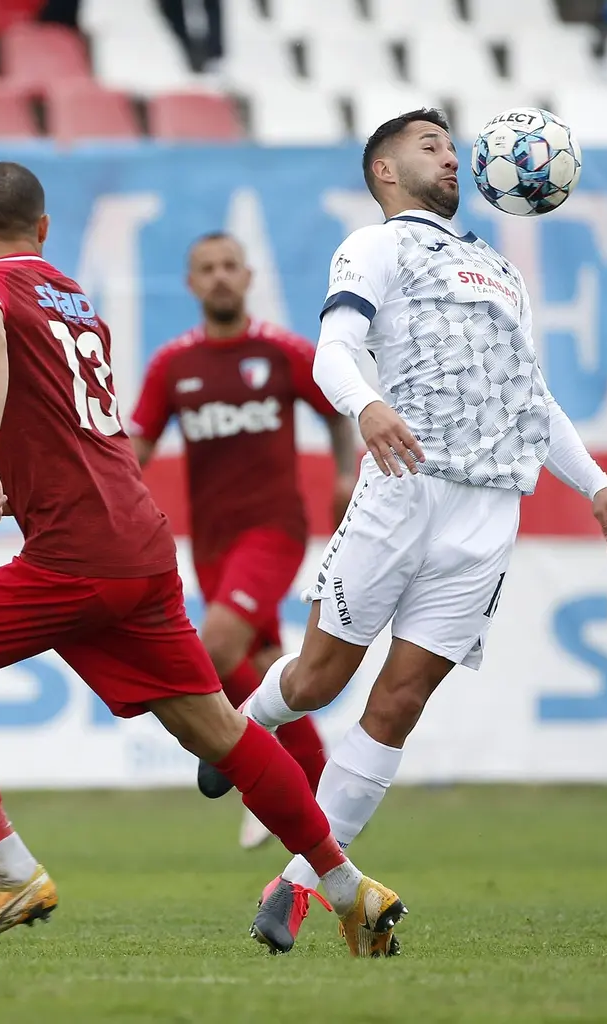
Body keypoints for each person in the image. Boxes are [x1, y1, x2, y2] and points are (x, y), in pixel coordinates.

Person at [0, 161, 405, 958]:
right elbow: (82, 448)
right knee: (218, 729)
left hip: (72, 562)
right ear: (44, 229)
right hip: (139, 551)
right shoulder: (73, 303)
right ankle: (345, 886)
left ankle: (7, 872)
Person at [197, 109, 607, 952]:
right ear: (385, 171)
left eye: (451, 146)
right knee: (319, 680)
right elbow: (334, 349)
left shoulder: (500, 270)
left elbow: (531, 398)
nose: (450, 156)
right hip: (403, 490)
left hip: (487, 514)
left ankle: (294, 887)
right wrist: (367, 406)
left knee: (398, 704)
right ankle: (241, 728)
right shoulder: (375, 246)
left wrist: (597, 483)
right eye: (429, 145)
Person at [130, 232, 356, 850]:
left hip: (273, 532)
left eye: (230, 265)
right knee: (259, 667)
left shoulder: (280, 351)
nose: (220, 277)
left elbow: (337, 411)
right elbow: (136, 448)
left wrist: (344, 475)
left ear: (249, 275)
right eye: (207, 268)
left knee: (217, 644)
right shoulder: (173, 364)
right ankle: (308, 795)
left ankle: (252, 770)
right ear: (191, 283)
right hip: (210, 545)